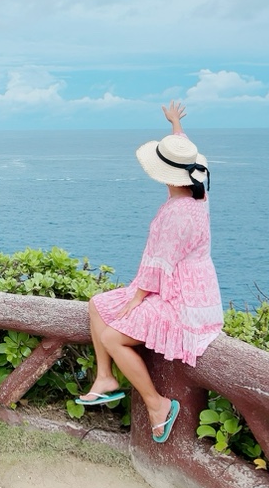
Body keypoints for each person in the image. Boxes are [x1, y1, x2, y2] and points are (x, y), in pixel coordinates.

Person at [75, 100, 223, 443]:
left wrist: (136, 299)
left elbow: (158, 266)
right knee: (98, 303)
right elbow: (187, 155)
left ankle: (158, 405)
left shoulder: (176, 215)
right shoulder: (200, 185)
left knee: (113, 335)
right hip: (188, 288)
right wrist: (175, 127)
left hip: (183, 301)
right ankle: (104, 379)